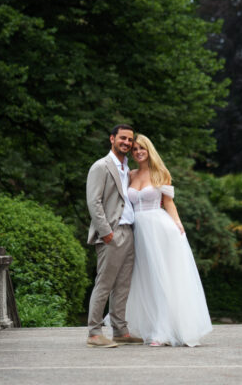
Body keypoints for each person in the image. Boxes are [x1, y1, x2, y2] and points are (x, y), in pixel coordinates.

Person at [125, 134, 212, 346]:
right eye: (134, 149)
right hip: (136, 230)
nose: (138, 152)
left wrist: (178, 225)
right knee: (142, 278)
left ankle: (162, 332)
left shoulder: (160, 173)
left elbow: (169, 203)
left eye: (141, 148)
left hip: (158, 228)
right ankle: (145, 326)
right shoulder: (130, 174)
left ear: (149, 150)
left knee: (160, 278)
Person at [85, 124, 145, 348]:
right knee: (104, 283)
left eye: (130, 140)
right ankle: (93, 333)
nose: (127, 143)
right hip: (112, 233)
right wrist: (106, 232)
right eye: (123, 138)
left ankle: (120, 330)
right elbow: (94, 202)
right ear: (112, 139)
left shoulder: (126, 168)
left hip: (129, 232)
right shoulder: (101, 166)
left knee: (123, 285)